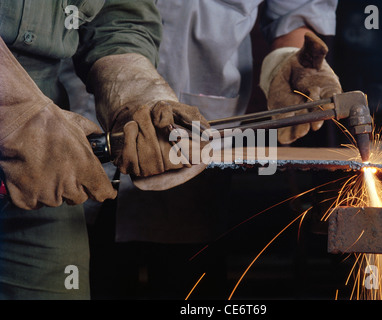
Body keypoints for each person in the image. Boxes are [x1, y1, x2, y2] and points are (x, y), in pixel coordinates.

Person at [76, 0, 342, 299]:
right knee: (82, 270)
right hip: (83, 108)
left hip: (201, 117)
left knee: (186, 282)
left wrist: (287, 58)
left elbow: (295, 10)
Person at [0, 0, 208, 299]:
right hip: (35, 130)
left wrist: (133, 89)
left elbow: (118, 15)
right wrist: (14, 110)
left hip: (50, 159)